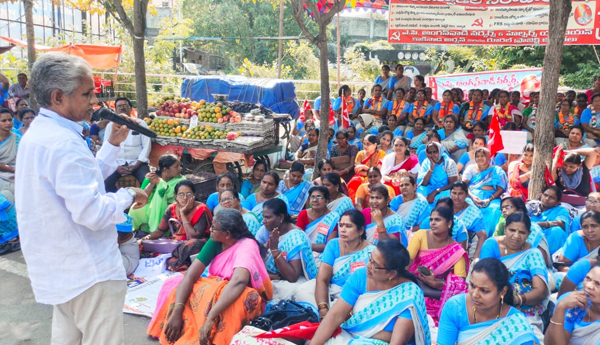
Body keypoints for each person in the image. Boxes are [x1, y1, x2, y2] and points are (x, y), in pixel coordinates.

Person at [15, 53, 149, 344]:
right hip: (90, 274)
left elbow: (79, 184)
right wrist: (127, 194)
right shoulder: (63, 143)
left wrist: (112, 145)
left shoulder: (40, 134)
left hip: (64, 272)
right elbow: (92, 212)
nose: (94, 102)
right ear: (58, 97)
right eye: (87, 93)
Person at [147, 209, 272, 345]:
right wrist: (178, 310)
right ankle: (185, 332)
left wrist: (211, 318)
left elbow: (238, 281)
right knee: (174, 283)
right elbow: (191, 274)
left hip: (236, 292)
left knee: (241, 300)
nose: (210, 230)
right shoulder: (215, 240)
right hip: (217, 286)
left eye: (213, 227)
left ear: (227, 234)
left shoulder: (246, 245)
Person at [310, 239, 431, 345]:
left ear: (392, 273)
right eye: (370, 259)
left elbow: (397, 341)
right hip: (351, 336)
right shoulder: (360, 276)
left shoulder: (408, 294)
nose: (368, 266)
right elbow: (336, 316)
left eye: (375, 265)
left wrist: (368, 333)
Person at [437, 258, 540, 345]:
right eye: (472, 285)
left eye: (484, 290)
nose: (475, 294)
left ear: (502, 291)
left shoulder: (516, 325)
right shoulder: (455, 307)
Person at [479, 212, 550, 337]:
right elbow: (483, 279)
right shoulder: (491, 245)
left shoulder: (533, 253)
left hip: (524, 310)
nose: (516, 236)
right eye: (512, 230)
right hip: (490, 304)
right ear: (505, 228)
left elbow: (540, 291)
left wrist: (515, 300)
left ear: (528, 234)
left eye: (522, 232)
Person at [297, 209, 374, 314]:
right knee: (304, 290)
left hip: (354, 296)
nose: (342, 230)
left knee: (361, 308)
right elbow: (323, 280)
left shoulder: (371, 252)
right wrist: (323, 307)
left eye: (348, 226)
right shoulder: (333, 244)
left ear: (360, 230)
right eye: (341, 225)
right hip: (331, 290)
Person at [408, 206, 468, 323]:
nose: (433, 223)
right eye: (431, 220)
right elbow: (406, 262)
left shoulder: (456, 250)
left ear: (449, 223)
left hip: (437, 294)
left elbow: (459, 285)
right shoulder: (421, 235)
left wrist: (436, 283)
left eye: (437, 220)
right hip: (414, 284)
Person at [140, 180, 212, 271]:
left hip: (198, 243)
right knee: (145, 245)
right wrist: (143, 240)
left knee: (193, 244)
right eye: (181, 194)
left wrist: (183, 214)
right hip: (177, 242)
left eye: (189, 194)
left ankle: (173, 260)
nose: (185, 198)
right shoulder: (171, 208)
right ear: (175, 196)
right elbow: (160, 231)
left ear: (194, 195)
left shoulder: (201, 209)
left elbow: (193, 235)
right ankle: (175, 258)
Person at [255, 198, 317, 299]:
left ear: (281, 217)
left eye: (267, 217)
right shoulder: (266, 229)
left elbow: (292, 276)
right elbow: (256, 255)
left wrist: (275, 250)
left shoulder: (295, 237)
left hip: (291, 281)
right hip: (273, 277)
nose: (264, 221)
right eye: (263, 217)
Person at [103, 97, 151, 192]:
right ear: (115, 109)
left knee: (146, 182)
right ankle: (115, 205)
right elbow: (107, 147)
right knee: (106, 183)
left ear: (131, 108)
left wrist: (136, 165)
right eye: (119, 106)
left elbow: (147, 146)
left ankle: (143, 205)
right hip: (117, 164)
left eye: (125, 105)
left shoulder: (140, 124)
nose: (122, 108)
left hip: (137, 163)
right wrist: (117, 167)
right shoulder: (110, 126)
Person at [129, 154, 185, 235]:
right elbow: (142, 196)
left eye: (180, 165)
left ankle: (157, 232)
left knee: (162, 212)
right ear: (166, 169)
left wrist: (160, 182)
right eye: (176, 167)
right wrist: (151, 183)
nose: (180, 168)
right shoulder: (152, 176)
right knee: (135, 209)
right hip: (149, 205)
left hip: (170, 208)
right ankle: (138, 231)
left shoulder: (181, 180)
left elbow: (172, 195)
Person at [546, 261, 600, 345]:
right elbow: (551, 343)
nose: (589, 286)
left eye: (598, 284)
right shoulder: (572, 302)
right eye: (588, 278)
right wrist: (560, 308)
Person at [493, 196, 551, 267]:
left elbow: (541, 261)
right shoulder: (501, 225)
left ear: (520, 210)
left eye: (507, 207)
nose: (504, 210)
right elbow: (494, 246)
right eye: (502, 208)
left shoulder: (534, 229)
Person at [462, 147, 507, 236]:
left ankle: (489, 236)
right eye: (477, 156)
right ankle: (467, 235)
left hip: (492, 198)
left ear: (488, 157)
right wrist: (473, 197)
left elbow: (500, 189)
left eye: (482, 156)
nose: (479, 158)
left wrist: (489, 200)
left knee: (495, 210)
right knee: (466, 206)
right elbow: (463, 186)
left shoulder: (496, 170)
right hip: (472, 197)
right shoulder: (470, 168)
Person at [528, 186, 571, 255]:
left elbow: (562, 223)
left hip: (550, 238)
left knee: (557, 231)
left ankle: (549, 260)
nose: (547, 199)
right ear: (541, 195)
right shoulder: (531, 207)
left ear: (558, 202)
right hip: (531, 237)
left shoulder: (561, 210)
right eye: (545, 195)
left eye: (551, 197)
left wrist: (541, 224)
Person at [451, 181, 487, 259]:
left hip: (464, 247)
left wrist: (476, 256)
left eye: (460, 194)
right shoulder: (445, 205)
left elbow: (483, 235)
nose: (457, 197)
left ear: (466, 195)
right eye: (454, 193)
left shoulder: (474, 213)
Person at [296, 186, 339, 252]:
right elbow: (298, 238)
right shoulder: (303, 214)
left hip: (324, 254)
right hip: (303, 251)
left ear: (327, 201)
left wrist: (306, 245)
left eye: (319, 197)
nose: (315, 200)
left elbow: (330, 245)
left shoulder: (332, 218)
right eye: (312, 197)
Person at [347, 134, 386, 200]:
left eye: (368, 144)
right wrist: (367, 172)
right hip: (361, 176)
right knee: (354, 181)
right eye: (364, 143)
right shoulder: (360, 154)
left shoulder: (381, 154)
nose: (365, 146)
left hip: (376, 177)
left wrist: (365, 167)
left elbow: (378, 172)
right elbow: (357, 170)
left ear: (375, 145)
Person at [0, 108, 20, 202]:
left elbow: (23, 157)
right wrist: (12, 169)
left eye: (10, 120)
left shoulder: (17, 138)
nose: (8, 123)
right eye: (4, 121)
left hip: (18, 171)